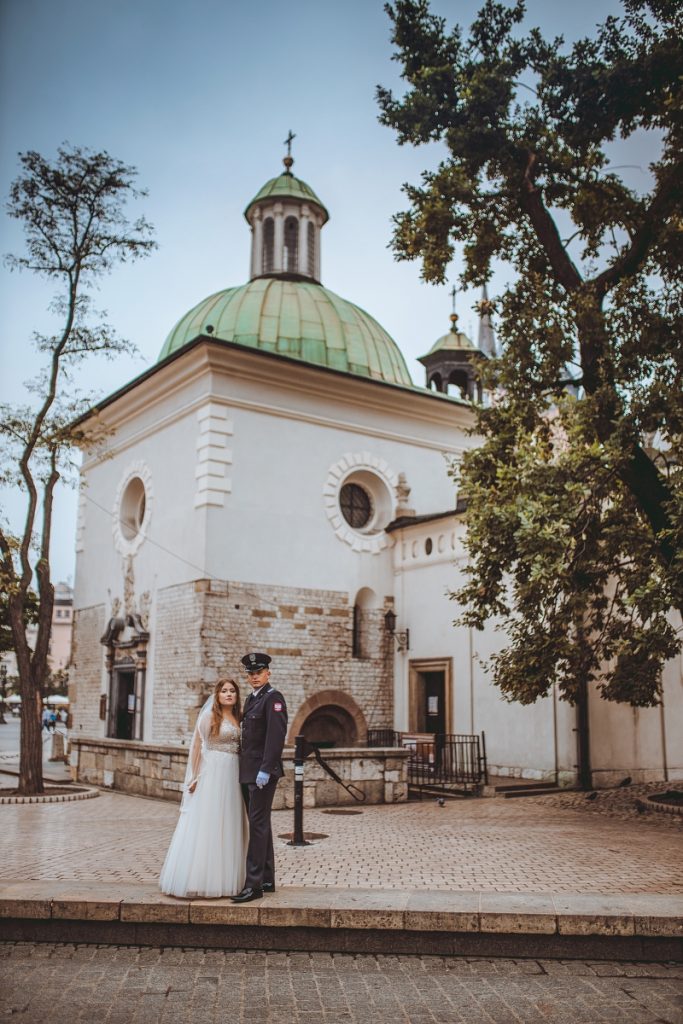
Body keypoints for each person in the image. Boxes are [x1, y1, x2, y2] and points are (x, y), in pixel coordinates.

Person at [160, 678, 248, 898]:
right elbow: (198, 747)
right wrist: (194, 776)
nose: (228, 694)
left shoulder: (238, 718)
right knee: (208, 821)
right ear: (217, 695)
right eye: (224, 691)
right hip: (213, 772)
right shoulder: (210, 717)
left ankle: (227, 879)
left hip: (233, 772)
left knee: (229, 821)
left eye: (232, 691)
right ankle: (197, 878)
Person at [231, 652, 288, 904]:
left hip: (262, 774)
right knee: (260, 824)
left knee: (257, 825)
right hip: (248, 772)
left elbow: (275, 737)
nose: (255, 677)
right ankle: (267, 878)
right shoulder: (251, 699)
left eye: (259, 672)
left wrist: (266, 769)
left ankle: (253, 885)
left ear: (268, 673)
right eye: (251, 674)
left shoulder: (273, 698)